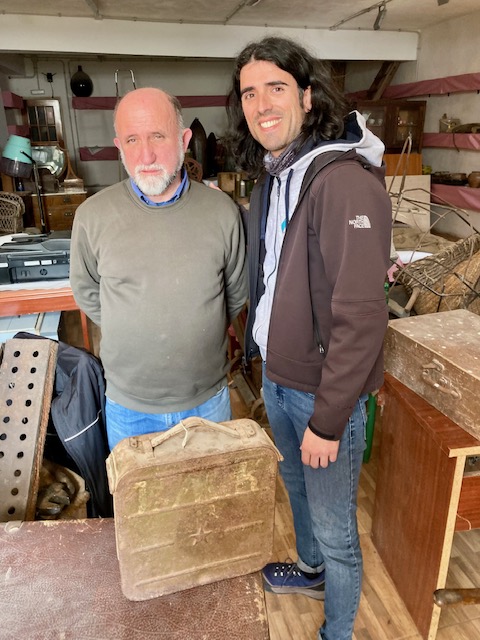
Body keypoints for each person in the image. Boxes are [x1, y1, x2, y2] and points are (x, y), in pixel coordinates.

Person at [226, 36, 392, 640]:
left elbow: (362, 317)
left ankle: (337, 632)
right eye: (249, 93)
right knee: (297, 491)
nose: (261, 104)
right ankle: (311, 571)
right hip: (279, 375)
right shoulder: (277, 176)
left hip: (322, 394)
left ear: (307, 96)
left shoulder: (343, 180)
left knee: (336, 528)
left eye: (276, 87)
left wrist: (328, 420)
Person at [70, 87, 247, 451]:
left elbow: (235, 292)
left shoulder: (222, 212)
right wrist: (133, 326)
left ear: (184, 140)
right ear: (119, 146)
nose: (146, 155)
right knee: (138, 492)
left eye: (158, 136)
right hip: (129, 407)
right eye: (132, 140)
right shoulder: (92, 216)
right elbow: (87, 292)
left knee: (211, 489)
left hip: (207, 401)